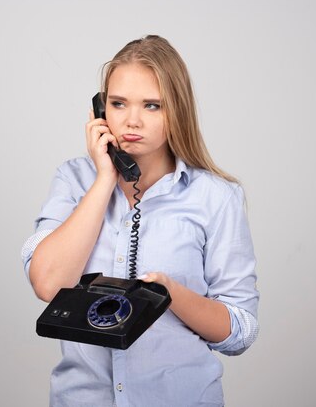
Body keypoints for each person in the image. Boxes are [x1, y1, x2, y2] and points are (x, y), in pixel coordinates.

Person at [21, 35, 259, 407]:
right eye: (118, 104)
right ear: (100, 111)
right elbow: (48, 283)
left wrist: (170, 295)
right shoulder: (73, 180)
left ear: (176, 110)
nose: (132, 121)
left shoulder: (216, 196)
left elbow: (240, 331)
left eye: (152, 105)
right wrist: (104, 180)